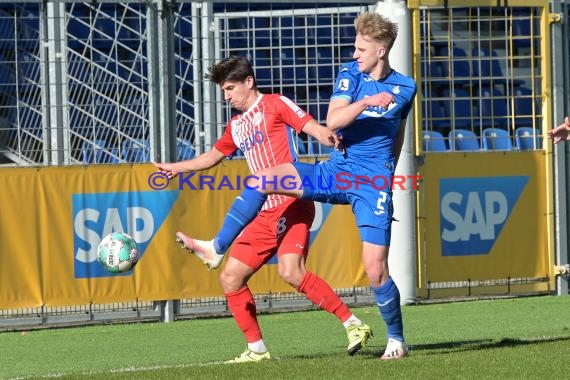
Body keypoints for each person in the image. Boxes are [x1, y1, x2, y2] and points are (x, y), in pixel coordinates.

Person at [175, 12, 417, 360]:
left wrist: (388, 173)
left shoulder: (405, 88)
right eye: (355, 47)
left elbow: (398, 133)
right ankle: (216, 246)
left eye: (361, 49)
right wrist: (365, 102)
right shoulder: (350, 75)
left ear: (381, 50)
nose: (354, 54)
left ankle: (396, 340)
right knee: (263, 178)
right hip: (337, 170)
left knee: (376, 269)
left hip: (373, 183)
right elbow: (333, 119)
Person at [154, 56, 372, 364]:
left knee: (290, 271)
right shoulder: (236, 126)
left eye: (230, 88)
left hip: (293, 202)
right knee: (230, 277)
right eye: (223, 91)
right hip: (265, 212)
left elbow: (309, 125)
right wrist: (176, 168)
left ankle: (354, 324)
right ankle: (257, 349)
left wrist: (326, 135)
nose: (227, 96)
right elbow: (212, 158)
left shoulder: (275, 104)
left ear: (248, 82)